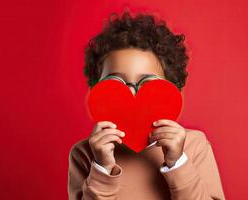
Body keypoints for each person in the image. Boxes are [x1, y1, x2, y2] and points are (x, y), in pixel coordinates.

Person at [67, 9, 226, 200]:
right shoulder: (85, 153)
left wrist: (178, 163)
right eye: (117, 83)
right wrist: (102, 169)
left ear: (171, 88)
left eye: (147, 83)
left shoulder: (194, 145)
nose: (132, 93)